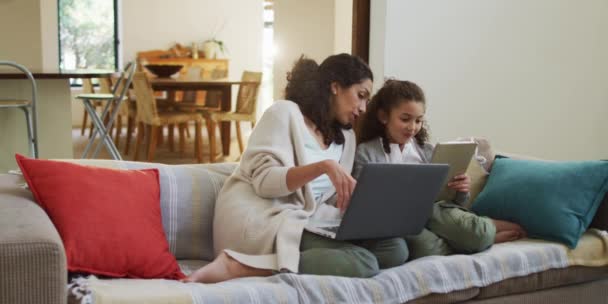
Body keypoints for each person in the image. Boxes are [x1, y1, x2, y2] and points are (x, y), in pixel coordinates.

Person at [184, 54, 408, 283]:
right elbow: (265, 183)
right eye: (360, 96)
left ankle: (295, 258)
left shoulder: (347, 139)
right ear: (335, 87)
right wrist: (323, 167)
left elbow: (326, 199)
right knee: (364, 262)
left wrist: (360, 210)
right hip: (263, 216)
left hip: (308, 219)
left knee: (395, 249)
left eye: (366, 101)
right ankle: (239, 266)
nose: (362, 108)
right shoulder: (284, 113)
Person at [354, 79, 526, 260]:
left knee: (474, 232)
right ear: (383, 117)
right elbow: (361, 201)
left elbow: (454, 202)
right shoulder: (366, 152)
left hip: (434, 213)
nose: (412, 127)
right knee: (425, 249)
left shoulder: (428, 151)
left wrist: (462, 189)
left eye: (418, 120)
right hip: (397, 221)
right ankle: (480, 239)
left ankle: (484, 230)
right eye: (405, 119)